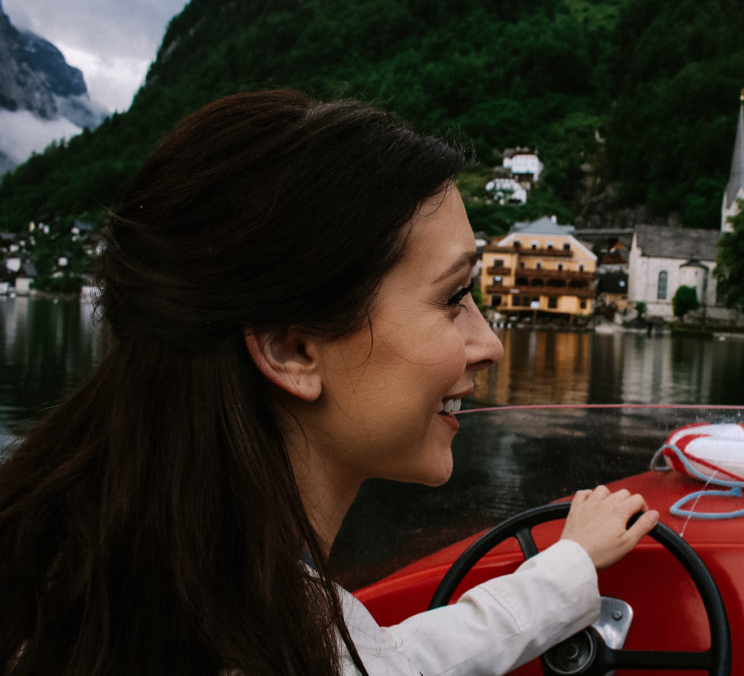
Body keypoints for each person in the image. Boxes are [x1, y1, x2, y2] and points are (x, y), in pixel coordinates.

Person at [0, 89, 659, 675]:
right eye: (454, 296)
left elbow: (393, 661)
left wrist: (564, 567)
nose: (489, 345)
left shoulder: (110, 575)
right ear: (292, 350)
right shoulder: (262, 632)